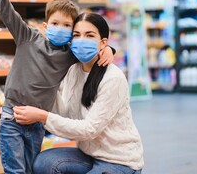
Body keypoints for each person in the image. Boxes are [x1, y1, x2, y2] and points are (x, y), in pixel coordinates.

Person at [0, 0, 115, 174]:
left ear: (72, 32)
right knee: (15, 170)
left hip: (37, 122)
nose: (59, 28)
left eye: (66, 25)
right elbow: (7, 13)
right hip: (12, 116)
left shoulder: (70, 53)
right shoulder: (27, 37)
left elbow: (90, 49)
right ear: (45, 26)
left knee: (31, 168)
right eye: (55, 23)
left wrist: (108, 49)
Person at [13, 12, 144, 174]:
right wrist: (45, 85)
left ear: (103, 43)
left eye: (89, 35)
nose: (82, 40)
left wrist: (42, 116)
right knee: (43, 163)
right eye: (77, 35)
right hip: (88, 154)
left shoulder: (113, 78)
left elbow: (90, 129)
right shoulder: (73, 70)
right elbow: (65, 114)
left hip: (120, 161)